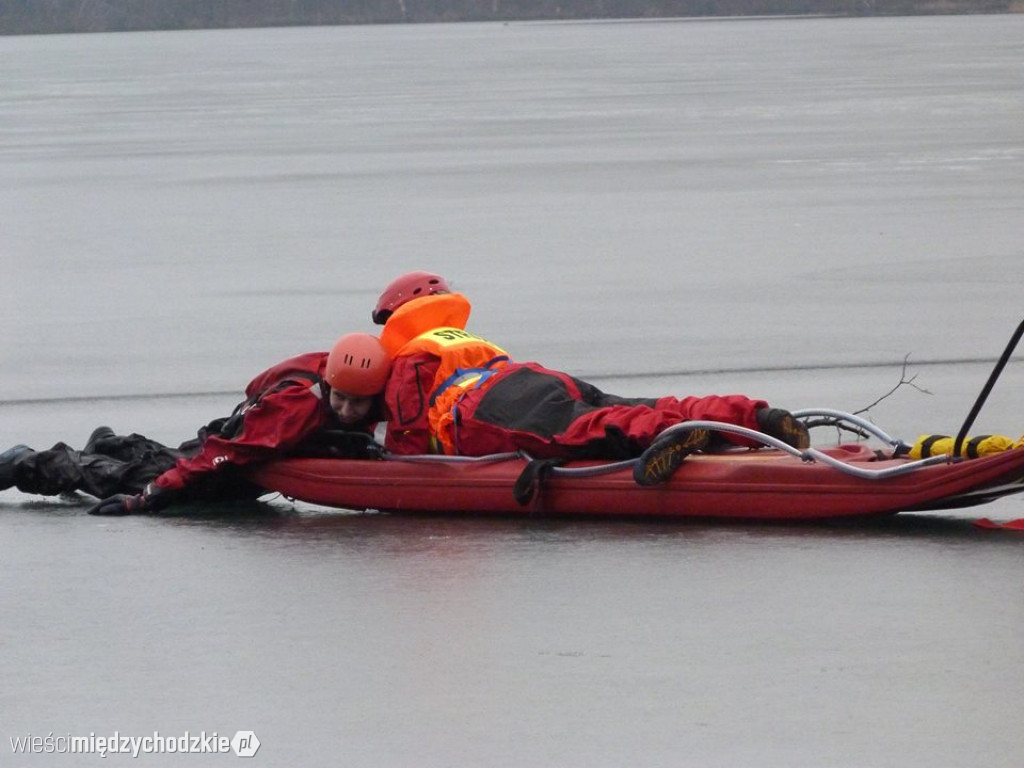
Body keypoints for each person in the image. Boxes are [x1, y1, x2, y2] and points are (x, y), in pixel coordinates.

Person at [372, 271, 809, 485]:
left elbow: (409, 437)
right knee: (635, 406)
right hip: (531, 377)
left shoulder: (411, 357)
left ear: (395, 317)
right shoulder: (462, 339)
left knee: (590, 429)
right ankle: (752, 417)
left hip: (488, 410)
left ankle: (681, 433)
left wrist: (383, 456)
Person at [0, 333, 391, 514]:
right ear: (329, 383)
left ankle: (110, 443)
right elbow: (224, 456)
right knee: (132, 479)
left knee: (170, 459)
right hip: (228, 458)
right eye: (340, 398)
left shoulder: (341, 371)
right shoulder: (295, 410)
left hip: (232, 434)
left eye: (358, 403)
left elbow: (258, 384)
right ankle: (25, 463)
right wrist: (147, 497)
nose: (347, 409)